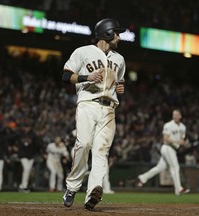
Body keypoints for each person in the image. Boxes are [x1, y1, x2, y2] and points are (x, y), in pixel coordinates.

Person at [61, 18, 126, 210]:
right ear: (107, 33)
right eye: (117, 32)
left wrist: (120, 88)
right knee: (84, 144)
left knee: (101, 151)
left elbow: (119, 82)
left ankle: (93, 193)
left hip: (109, 109)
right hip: (88, 103)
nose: (119, 37)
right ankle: (72, 187)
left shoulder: (119, 59)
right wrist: (85, 77)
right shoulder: (83, 52)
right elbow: (66, 76)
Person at [137, 109, 190, 195]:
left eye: (177, 115)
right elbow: (165, 138)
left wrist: (184, 144)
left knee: (160, 167)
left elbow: (181, 140)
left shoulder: (183, 127)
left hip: (173, 149)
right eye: (174, 115)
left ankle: (143, 178)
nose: (175, 116)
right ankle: (179, 189)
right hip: (167, 147)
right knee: (175, 167)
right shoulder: (168, 125)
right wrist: (177, 142)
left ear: (180, 116)